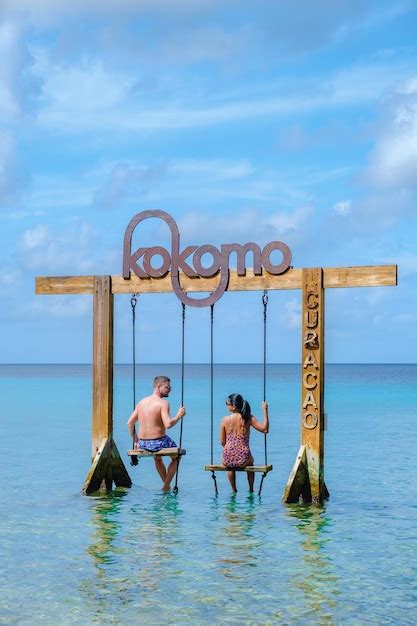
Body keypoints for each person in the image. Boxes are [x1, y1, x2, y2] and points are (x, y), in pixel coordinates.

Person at [127, 375, 186, 491]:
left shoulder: (141, 402)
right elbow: (168, 424)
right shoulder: (163, 403)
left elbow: (129, 423)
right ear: (158, 386)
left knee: (158, 458)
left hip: (143, 443)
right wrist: (179, 416)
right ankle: (166, 485)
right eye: (167, 387)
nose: (170, 389)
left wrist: (135, 440)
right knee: (177, 458)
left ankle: (166, 485)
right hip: (158, 442)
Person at [220, 393, 269, 493]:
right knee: (251, 462)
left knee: (230, 465)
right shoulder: (248, 418)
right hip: (244, 458)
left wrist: (230, 449)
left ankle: (234, 490)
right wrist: (265, 411)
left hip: (227, 457)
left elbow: (222, 442)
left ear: (233, 406)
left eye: (227, 403)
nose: (226, 405)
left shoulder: (225, 420)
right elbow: (265, 429)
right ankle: (251, 489)